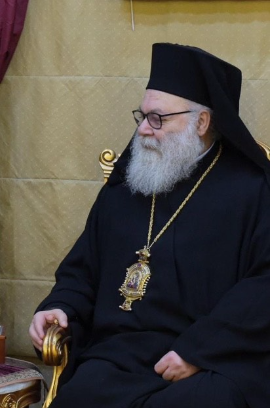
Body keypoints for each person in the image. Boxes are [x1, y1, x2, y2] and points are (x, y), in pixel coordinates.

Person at [29, 43, 270, 408]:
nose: (143, 130)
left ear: (202, 123)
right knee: (80, 394)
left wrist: (198, 351)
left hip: (210, 360)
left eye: (158, 119)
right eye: (142, 116)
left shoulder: (252, 191)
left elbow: (263, 288)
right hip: (120, 355)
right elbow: (83, 269)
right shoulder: (128, 185)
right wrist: (62, 307)